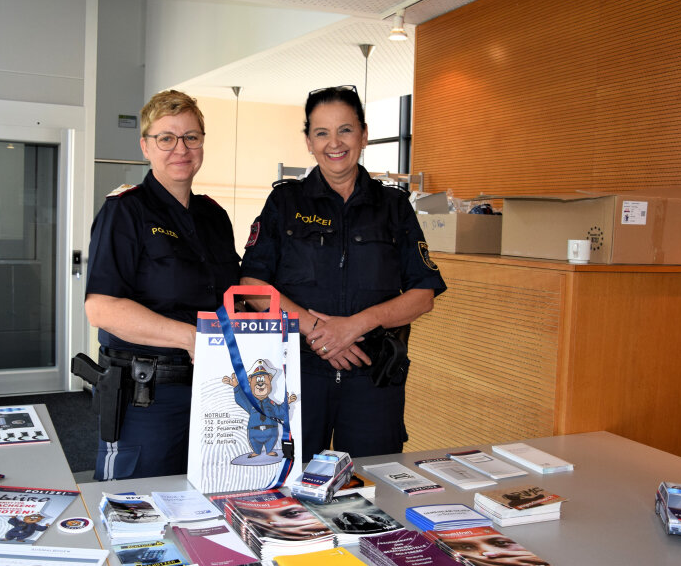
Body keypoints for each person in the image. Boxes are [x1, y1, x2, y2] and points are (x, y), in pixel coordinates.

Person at [240, 85, 446, 462]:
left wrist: (354, 327)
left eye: (345, 130)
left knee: (373, 482)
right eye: (322, 133)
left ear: (363, 135)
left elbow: (423, 295)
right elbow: (252, 285)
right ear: (309, 141)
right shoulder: (284, 203)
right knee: (289, 481)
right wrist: (320, 332)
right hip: (296, 376)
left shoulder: (394, 206)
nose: (334, 143)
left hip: (373, 379)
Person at [84, 89, 240, 480]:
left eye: (191, 137)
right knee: (135, 502)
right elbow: (101, 309)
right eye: (166, 138)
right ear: (146, 146)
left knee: (209, 493)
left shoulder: (215, 217)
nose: (180, 149)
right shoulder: (124, 211)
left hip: (214, 390)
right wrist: (192, 338)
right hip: (147, 397)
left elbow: (230, 299)